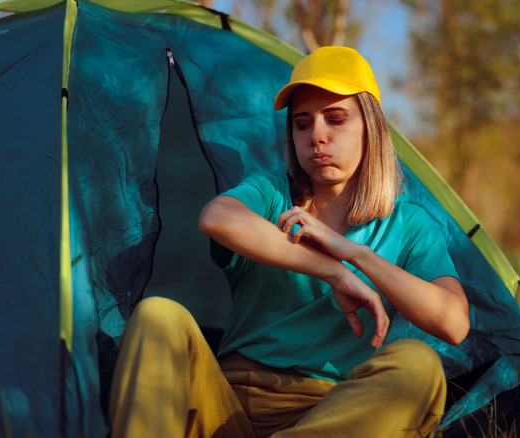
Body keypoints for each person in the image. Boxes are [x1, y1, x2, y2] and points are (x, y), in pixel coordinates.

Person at [108, 46, 470, 438]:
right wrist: (333, 271)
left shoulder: (409, 224)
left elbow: (453, 322)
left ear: (371, 127)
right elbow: (217, 217)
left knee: (419, 366)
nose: (317, 135)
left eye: (335, 119)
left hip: (329, 414)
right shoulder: (271, 193)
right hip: (225, 403)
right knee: (157, 316)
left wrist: (356, 254)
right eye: (302, 123)